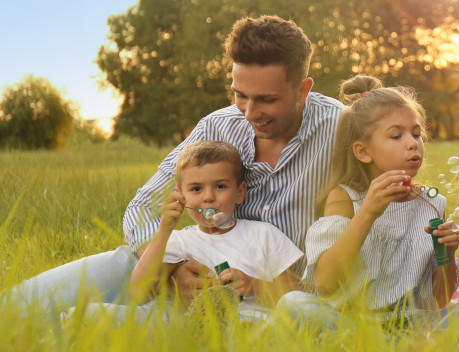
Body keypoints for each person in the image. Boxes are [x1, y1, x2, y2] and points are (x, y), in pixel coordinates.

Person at [6, 15, 343, 316]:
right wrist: (174, 269)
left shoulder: (342, 130)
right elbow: (144, 206)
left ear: (303, 90)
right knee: (23, 307)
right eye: (240, 95)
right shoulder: (217, 126)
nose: (249, 113)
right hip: (182, 277)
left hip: (279, 300)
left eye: (267, 100)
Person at [299, 75, 459, 328]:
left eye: (416, 134)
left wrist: (446, 254)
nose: (412, 144)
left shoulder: (431, 203)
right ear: (363, 151)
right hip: (355, 326)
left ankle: (409, 347)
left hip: (415, 324)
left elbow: (441, 299)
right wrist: (368, 212)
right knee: (296, 305)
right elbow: (325, 284)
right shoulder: (344, 198)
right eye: (396, 136)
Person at [78, 141, 303, 322]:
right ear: (181, 197)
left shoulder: (263, 234)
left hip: (255, 327)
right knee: (97, 314)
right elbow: (139, 293)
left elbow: (295, 292)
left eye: (220, 186)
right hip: (192, 329)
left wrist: (255, 285)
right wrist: (164, 232)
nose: (208, 197)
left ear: (240, 192)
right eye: (196, 189)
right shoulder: (178, 242)